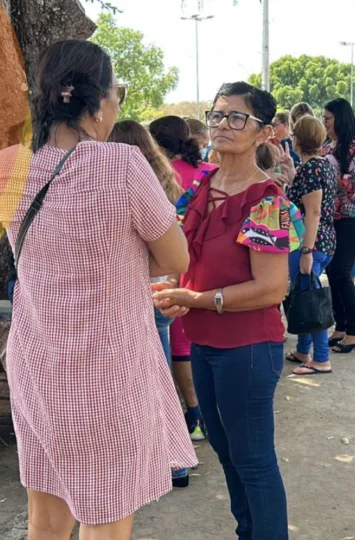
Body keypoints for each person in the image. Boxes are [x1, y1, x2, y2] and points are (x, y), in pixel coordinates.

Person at [0, 40, 196, 540]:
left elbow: (39, 251)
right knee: (107, 519)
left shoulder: (6, 166)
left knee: (45, 515)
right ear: (99, 101)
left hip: (36, 362)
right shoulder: (123, 164)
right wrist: (122, 258)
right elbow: (176, 259)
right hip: (108, 368)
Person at [153, 81, 301, 540]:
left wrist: (197, 300)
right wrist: (174, 289)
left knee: (253, 458)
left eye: (237, 117)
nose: (222, 125)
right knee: (224, 448)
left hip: (248, 347)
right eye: (217, 115)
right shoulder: (199, 186)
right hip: (203, 342)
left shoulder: (267, 200)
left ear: (263, 133)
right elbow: (182, 258)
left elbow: (272, 287)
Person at [107, 119, 194, 485]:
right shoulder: (166, 180)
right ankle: (171, 458)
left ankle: (168, 460)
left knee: (146, 380)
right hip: (162, 285)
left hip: (134, 289)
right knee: (157, 375)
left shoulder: (113, 179)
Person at [147, 116, 214, 441]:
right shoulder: (208, 172)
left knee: (175, 340)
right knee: (199, 339)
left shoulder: (160, 176)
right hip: (209, 267)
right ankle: (205, 414)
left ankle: (188, 418)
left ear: (156, 144)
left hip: (171, 267)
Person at [285, 116, 338, 376]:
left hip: (310, 243)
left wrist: (306, 251)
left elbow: (313, 211)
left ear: (297, 139)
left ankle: (321, 358)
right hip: (323, 241)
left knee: (311, 299)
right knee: (304, 295)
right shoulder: (321, 165)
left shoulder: (311, 169)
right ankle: (304, 350)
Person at [321, 98, 355, 354]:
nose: (325, 123)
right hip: (332, 217)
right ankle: (341, 326)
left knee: (342, 271)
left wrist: (328, 176)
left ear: (340, 118)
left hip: (353, 217)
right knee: (332, 272)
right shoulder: (329, 145)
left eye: (328, 118)